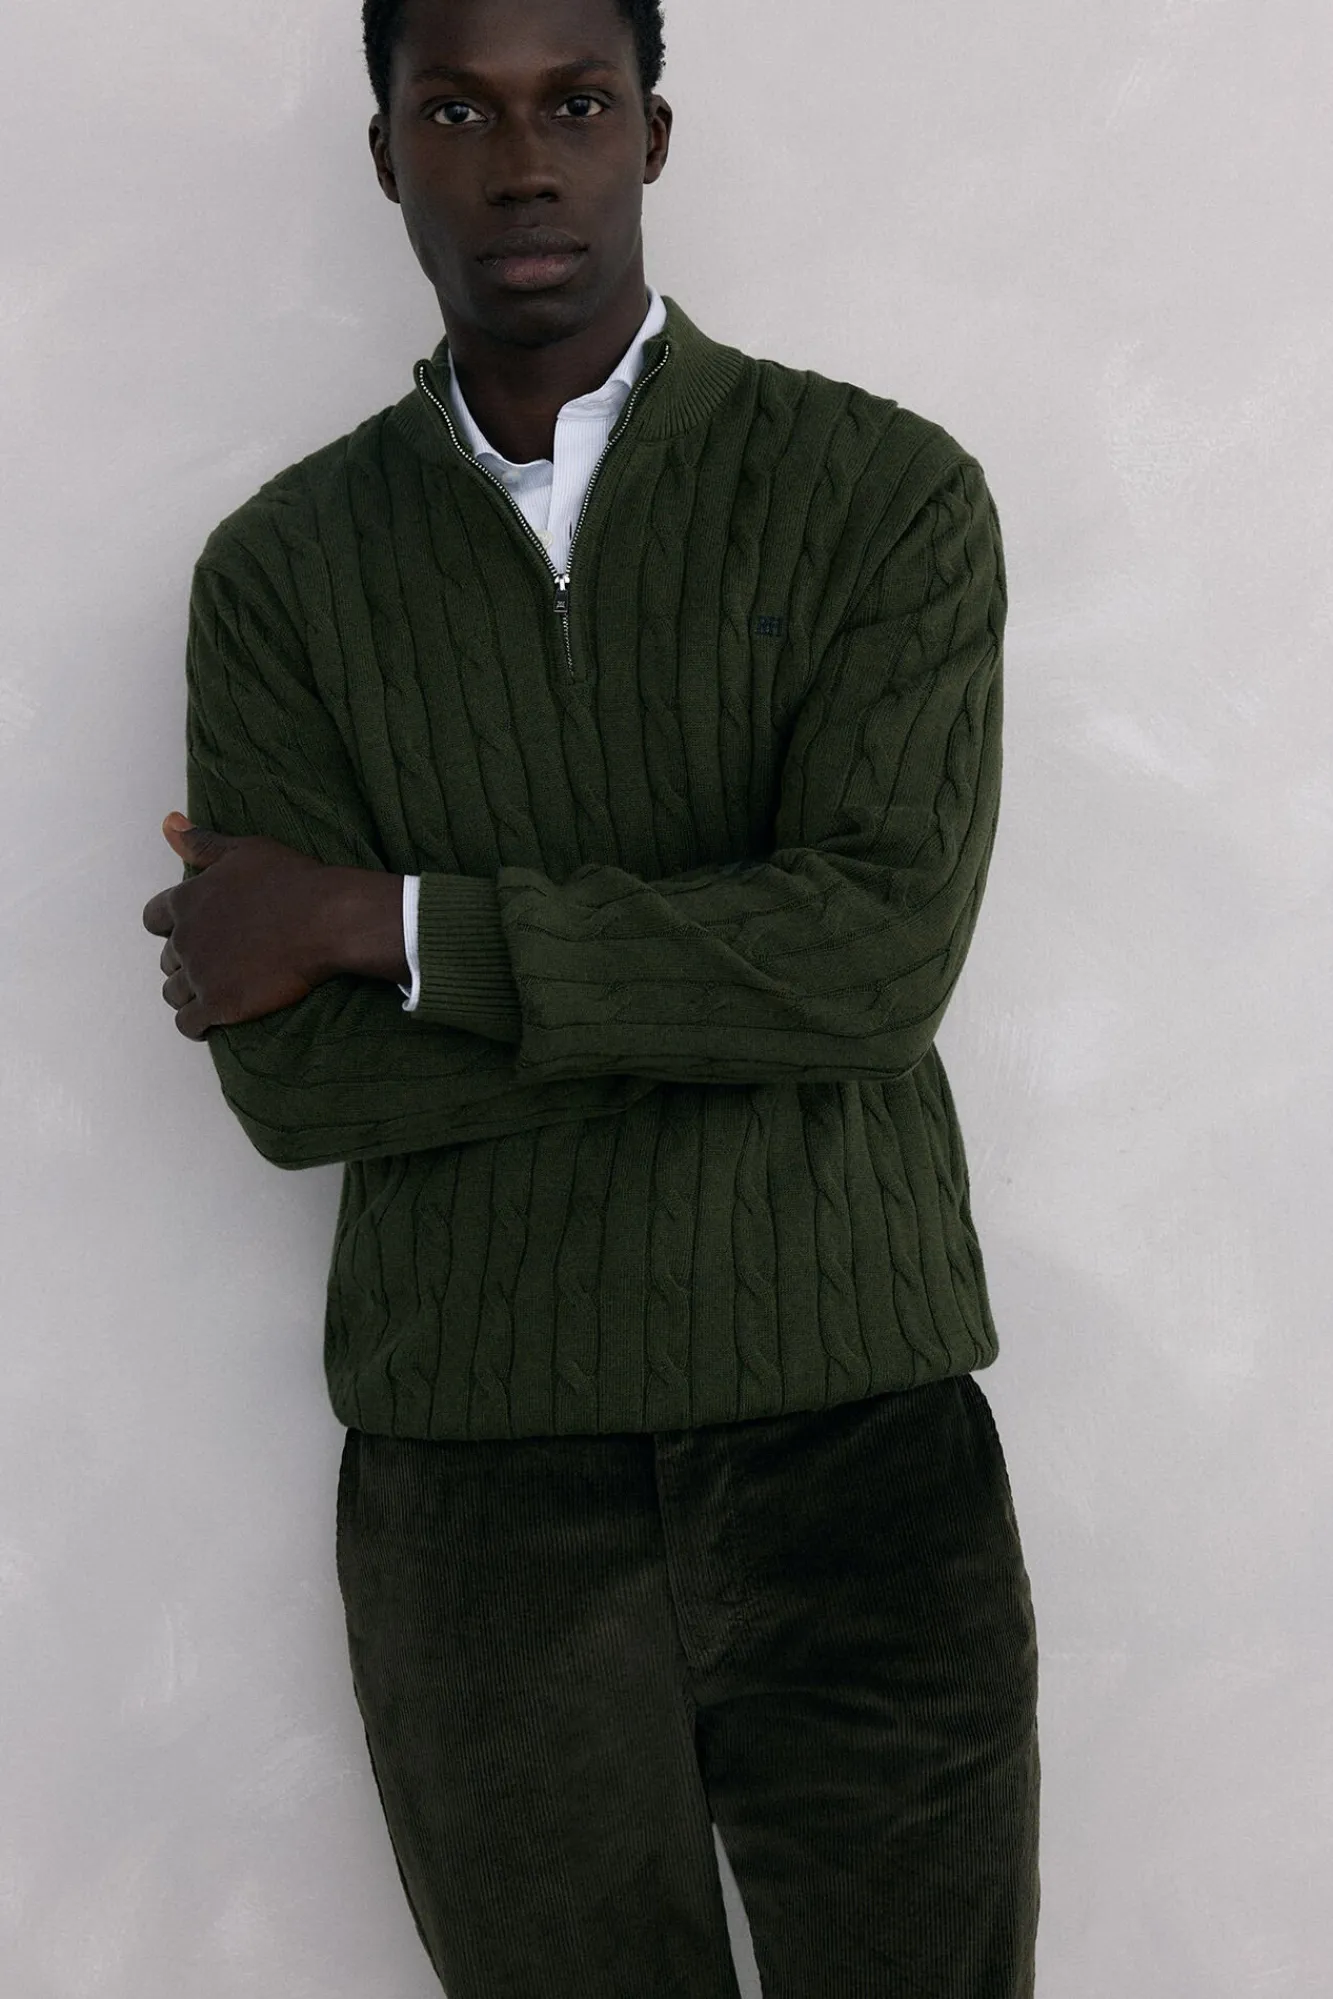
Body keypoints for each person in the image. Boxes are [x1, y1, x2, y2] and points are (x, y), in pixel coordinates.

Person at [141, 0, 1040, 1991]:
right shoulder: (281, 575)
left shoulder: (885, 495)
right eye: (457, 110)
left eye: (575, 102)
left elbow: (877, 967)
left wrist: (379, 920)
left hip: (862, 1454)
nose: (524, 160)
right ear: (387, 153)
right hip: (477, 1498)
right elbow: (296, 1089)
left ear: (653, 132)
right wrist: (735, 995)